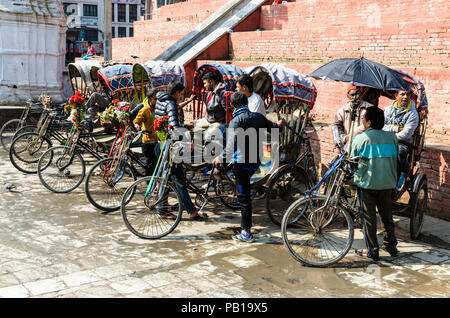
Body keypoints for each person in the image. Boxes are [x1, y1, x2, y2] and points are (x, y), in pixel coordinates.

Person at [212, 92, 285, 243]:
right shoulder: (258, 117)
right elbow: (275, 128)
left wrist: (219, 159)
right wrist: (280, 125)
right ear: (246, 102)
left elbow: (230, 148)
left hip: (243, 165)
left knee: (244, 199)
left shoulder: (235, 121)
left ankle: (246, 232)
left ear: (232, 106)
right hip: (256, 161)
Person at [350, 106, 399, 261]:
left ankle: (372, 250)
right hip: (388, 183)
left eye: (364, 118)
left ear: (369, 122)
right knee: (387, 217)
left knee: (369, 219)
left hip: (367, 185)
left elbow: (352, 162)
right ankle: (391, 246)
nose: (362, 120)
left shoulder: (361, 139)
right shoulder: (392, 138)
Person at [154, 81, 205, 220]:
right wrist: (186, 142)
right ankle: (190, 211)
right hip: (170, 147)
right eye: (181, 94)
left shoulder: (160, 100)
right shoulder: (170, 103)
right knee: (179, 180)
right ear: (176, 93)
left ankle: (164, 207)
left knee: (167, 178)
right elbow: (174, 127)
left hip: (161, 143)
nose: (181, 97)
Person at [383, 89, 419, 189]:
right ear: (396, 96)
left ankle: (392, 186)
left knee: (397, 154)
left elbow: (406, 134)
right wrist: (396, 128)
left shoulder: (413, 114)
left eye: (408, 94)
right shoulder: (388, 110)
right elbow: (381, 126)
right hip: (386, 139)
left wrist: (389, 134)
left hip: (402, 143)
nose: (405, 97)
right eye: (402, 94)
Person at [193, 72, 227, 142]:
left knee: (208, 136)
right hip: (209, 119)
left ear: (211, 82)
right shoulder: (208, 92)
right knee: (196, 128)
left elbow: (226, 109)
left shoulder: (221, 92)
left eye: (205, 83)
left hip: (218, 122)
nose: (204, 86)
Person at [133, 89, 158, 176]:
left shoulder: (158, 108)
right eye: (155, 99)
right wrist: (137, 125)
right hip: (148, 141)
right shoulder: (144, 110)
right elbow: (137, 120)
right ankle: (149, 184)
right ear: (150, 99)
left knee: (157, 163)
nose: (157, 101)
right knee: (150, 164)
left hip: (158, 140)